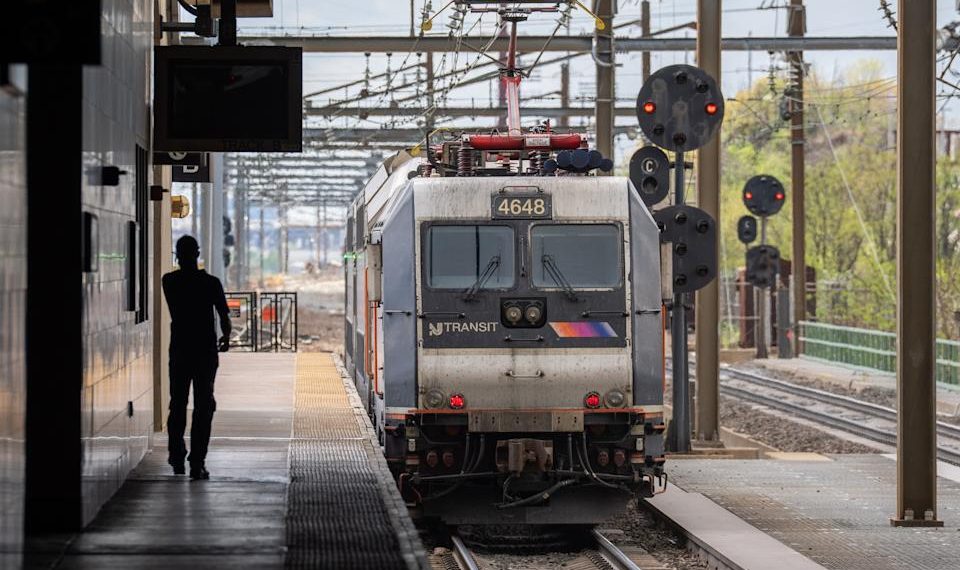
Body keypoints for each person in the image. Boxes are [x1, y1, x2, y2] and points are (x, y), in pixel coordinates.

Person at [161, 235, 231, 480]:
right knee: (204, 406)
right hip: (204, 352)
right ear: (198, 254)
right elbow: (224, 315)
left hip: (179, 350)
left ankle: (176, 455)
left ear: (177, 256)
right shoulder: (211, 283)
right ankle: (197, 462)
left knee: (177, 403)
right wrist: (226, 337)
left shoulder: (168, 281)